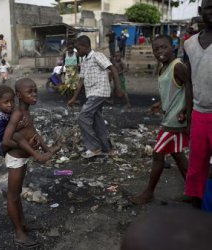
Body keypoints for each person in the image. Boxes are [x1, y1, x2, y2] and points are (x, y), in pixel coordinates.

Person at [130, 35, 189, 205]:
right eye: (156, 49)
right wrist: (161, 103)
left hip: (175, 122)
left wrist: (185, 110)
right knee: (178, 155)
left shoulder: (178, 67)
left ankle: (149, 193)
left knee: (158, 154)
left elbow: (192, 88)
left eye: (164, 47)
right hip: (169, 117)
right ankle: (194, 191)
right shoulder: (164, 68)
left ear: (174, 48)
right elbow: (175, 91)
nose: (159, 51)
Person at [2, 78, 61, 248]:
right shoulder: (18, 114)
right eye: (30, 92)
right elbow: (6, 141)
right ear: (19, 95)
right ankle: (19, 234)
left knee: (17, 193)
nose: (34, 94)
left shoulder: (26, 113)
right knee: (13, 197)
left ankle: (23, 225)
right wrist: (27, 149)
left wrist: (47, 148)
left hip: (23, 157)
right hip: (15, 159)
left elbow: (34, 133)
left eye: (35, 90)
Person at [67, 35, 123, 158]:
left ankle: (94, 147)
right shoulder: (84, 61)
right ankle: (107, 148)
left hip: (99, 92)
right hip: (92, 93)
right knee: (98, 121)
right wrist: (74, 98)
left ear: (85, 46)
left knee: (83, 117)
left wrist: (118, 88)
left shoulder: (97, 55)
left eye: (78, 49)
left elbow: (112, 68)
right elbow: (81, 81)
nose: (77, 51)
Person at [184, 0, 212, 209]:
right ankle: (196, 207)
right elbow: (188, 80)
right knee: (197, 165)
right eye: (210, 7)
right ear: (201, 11)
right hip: (199, 113)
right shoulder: (190, 44)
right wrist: (189, 113)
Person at [0, 85, 41, 158]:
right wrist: (18, 128)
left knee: (26, 129)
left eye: (12, 101)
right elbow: (4, 140)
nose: (10, 105)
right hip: (1, 147)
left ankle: (32, 145)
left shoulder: (10, 111)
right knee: (17, 135)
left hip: (9, 138)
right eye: (6, 102)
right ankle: (29, 148)